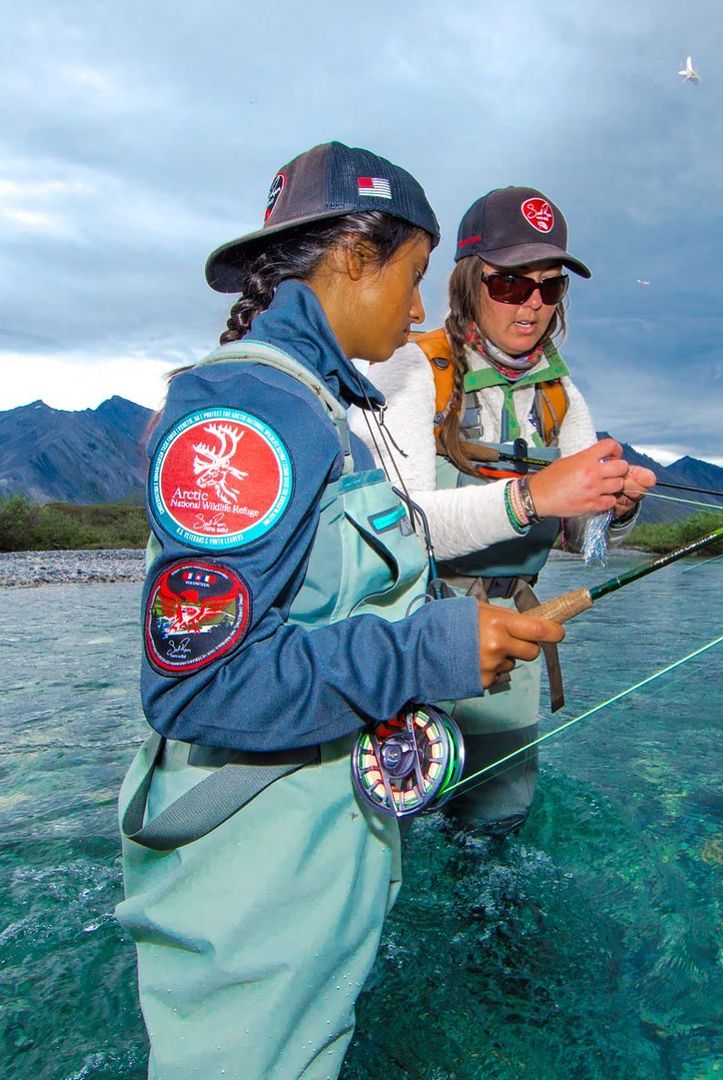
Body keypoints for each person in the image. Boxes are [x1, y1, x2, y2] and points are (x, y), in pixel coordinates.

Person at [115, 143, 564, 1079]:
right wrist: (428, 651)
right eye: (410, 276)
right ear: (354, 256)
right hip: (252, 880)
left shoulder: (323, 408)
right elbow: (198, 686)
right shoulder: (245, 412)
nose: (414, 311)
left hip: (310, 859)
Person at [350, 185, 655, 834]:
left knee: (499, 828)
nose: (534, 305)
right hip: (410, 634)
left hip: (513, 637)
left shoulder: (560, 393)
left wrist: (612, 510)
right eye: (510, 285)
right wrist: (532, 497)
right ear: (466, 282)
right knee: (384, 830)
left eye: (549, 288)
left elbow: (581, 541)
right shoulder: (410, 367)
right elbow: (404, 529)